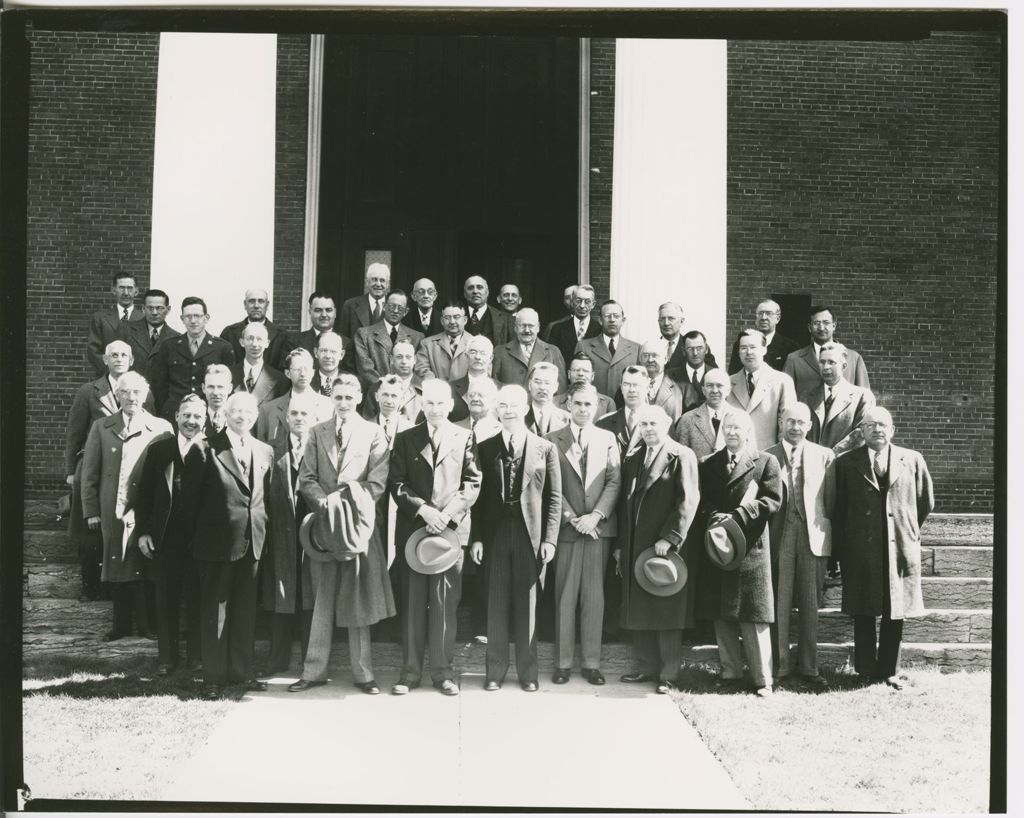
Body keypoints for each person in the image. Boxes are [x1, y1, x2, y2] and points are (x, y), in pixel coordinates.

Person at [289, 374, 394, 695]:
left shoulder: (375, 433)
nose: (344, 403)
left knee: (357, 600)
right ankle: (313, 671)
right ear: (330, 398)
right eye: (338, 398)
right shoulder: (317, 432)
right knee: (322, 601)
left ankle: (364, 674)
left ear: (361, 398)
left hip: (358, 528)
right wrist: (325, 504)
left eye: (350, 397)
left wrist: (343, 506)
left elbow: (376, 484)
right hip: (323, 527)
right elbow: (306, 477)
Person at [830, 406, 934, 690]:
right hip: (860, 550)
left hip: (899, 546)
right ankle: (864, 669)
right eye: (871, 425)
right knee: (863, 610)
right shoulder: (846, 463)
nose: (877, 429)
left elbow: (925, 503)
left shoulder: (912, 460)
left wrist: (905, 529)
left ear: (892, 430)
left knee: (894, 611)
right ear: (861, 431)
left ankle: (889, 669)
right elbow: (839, 509)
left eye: (883, 425)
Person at [389, 379, 482, 695]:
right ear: (422, 405)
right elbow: (397, 484)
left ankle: (443, 672)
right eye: (429, 403)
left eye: (441, 403)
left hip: (449, 534)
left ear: (450, 406)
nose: (435, 409)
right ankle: (409, 672)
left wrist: (446, 514)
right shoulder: (405, 439)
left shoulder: (465, 437)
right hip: (415, 531)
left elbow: (472, 483)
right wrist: (425, 512)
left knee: (444, 606)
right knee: (413, 605)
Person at [469, 385, 561, 692]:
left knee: (528, 604)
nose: (509, 410)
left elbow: (554, 498)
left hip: (530, 536)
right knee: (496, 603)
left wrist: (549, 539)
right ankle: (495, 670)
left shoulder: (545, 448)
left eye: (514, 405)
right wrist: (478, 538)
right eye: (503, 405)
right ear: (496, 409)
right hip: (496, 534)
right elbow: (479, 499)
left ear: (525, 408)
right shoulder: (485, 446)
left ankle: (528, 672)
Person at [191, 391, 275, 700]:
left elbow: (264, 499)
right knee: (216, 611)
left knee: (245, 612)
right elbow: (191, 502)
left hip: (253, 542)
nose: (243, 416)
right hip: (216, 545)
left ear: (256, 416)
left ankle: (242, 672)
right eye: (236, 411)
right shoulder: (205, 449)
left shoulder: (265, 451)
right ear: (226, 414)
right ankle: (213, 678)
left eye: (249, 411)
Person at [695, 411, 783, 698]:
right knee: (723, 614)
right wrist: (715, 516)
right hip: (720, 548)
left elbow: (773, 500)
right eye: (728, 427)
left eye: (738, 428)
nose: (732, 432)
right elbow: (702, 500)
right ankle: (730, 673)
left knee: (754, 615)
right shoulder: (708, 463)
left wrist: (742, 514)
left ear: (748, 431)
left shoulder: (766, 462)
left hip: (751, 549)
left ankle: (763, 679)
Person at [81, 371, 173, 641]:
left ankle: (147, 626)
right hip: (112, 508)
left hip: (145, 509)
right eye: (125, 392)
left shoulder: (161, 428)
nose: (131, 397)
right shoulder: (102, 426)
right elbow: (90, 472)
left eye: (136, 392)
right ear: (117, 395)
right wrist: (91, 511)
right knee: (116, 565)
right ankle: (120, 626)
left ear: (145, 395)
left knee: (144, 565)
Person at [615, 404, 700, 694]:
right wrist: (620, 546)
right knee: (640, 606)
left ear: (666, 424)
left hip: (665, 548)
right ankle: (647, 667)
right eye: (643, 424)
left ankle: (669, 674)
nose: (648, 429)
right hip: (636, 547)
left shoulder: (681, 455)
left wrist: (670, 537)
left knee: (666, 609)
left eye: (653, 423)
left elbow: (688, 501)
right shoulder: (635, 457)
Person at [65, 340, 155, 600]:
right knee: (91, 532)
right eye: (113, 355)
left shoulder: (143, 391)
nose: (118, 359)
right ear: (105, 360)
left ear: (132, 359)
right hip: (94, 464)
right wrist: (71, 470)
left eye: (124, 355)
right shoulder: (88, 391)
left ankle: (119, 587)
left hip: (129, 470)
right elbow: (75, 432)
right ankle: (90, 586)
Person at [546, 383, 621, 685]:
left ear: (597, 407)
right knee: (564, 596)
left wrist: (596, 516)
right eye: (578, 404)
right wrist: (572, 517)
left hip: (597, 530)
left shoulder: (607, 438)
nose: (583, 410)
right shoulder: (551, 440)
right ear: (568, 404)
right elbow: (550, 485)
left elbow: (614, 481)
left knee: (594, 597)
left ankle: (591, 663)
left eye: (589, 405)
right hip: (567, 528)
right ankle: (563, 663)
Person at [133, 394, 209, 675]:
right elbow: (144, 496)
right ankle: (167, 659)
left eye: (197, 417)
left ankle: (197, 657)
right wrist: (142, 533)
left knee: (197, 598)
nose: (191, 421)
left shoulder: (211, 451)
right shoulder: (159, 450)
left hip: (200, 540)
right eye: (186, 415)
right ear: (176, 417)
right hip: (165, 539)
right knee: (166, 599)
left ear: (205, 420)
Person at [764, 404, 835, 687]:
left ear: (809, 425)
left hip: (813, 536)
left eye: (801, 422)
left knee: (809, 604)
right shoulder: (767, 455)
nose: (795, 427)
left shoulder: (825, 456)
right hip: (779, 535)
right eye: (790, 421)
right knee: (779, 604)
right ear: (781, 422)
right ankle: (779, 669)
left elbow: (832, 501)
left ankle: (809, 668)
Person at [260, 392, 318, 675]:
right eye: (294, 414)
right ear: (285, 417)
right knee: (281, 593)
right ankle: (277, 659)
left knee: (309, 593)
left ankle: (311, 660)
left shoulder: (320, 449)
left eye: (304, 414)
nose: (298, 419)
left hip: (311, 533)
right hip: (280, 531)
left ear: (314, 419)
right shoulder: (272, 450)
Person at [150, 296, 234, 421]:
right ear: (182, 319)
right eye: (188, 316)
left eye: (197, 316)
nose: (193, 321)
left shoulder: (222, 347)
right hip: (174, 414)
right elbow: (159, 385)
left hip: (207, 415)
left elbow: (228, 386)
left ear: (206, 318)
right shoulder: (169, 346)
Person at [726, 329, 797, 449]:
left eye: (753, 347)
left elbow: (787, 424)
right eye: (743, 348)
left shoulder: (782, 381)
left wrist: (780, 457)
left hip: (768, 456)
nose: (748, 352)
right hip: (736, 456)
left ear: (764, 350)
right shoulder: (729, 383)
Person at [802, 341, 876, 455]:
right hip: (812, 463)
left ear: (844, 366)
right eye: (822, 362)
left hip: (844, 464)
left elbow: (861, 432)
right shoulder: (806, 396)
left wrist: (831, 455)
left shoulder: (862, 396)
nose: (826, 367)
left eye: (832, 362)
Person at [254, 348, 334, 448]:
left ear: (313, 372)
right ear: (288, 373)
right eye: (297, 369)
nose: (303, 374)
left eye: (306, 369)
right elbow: (261, 452)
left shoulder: (328, 406)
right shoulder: (268, 410)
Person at [783, 306, 870, 395]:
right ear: (809, 328)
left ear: (834, 326)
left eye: (826, 323)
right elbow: (785, 396)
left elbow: (864, 397)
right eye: (816, 323)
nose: (821, 328)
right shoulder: (794, 359)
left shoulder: (854, 358)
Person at [353, 289, 424, 391]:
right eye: (391, 306)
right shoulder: (364, 334)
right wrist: (388, 388)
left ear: (406, 311)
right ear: (384, 307)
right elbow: (366, 370)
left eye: (400, 308)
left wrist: (403, 390)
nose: (395, 311)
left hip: (407, 395)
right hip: (375, 394)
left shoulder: (417, 337)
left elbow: (418, 370)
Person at [574, 300, 642, 398]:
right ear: (600, 320)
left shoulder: (636, 349)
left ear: (623, 320)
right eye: (607, 316)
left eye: (616, 316)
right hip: (594, 407)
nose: (612, 319)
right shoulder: (584, 346)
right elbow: (577, 383)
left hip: (623, 408)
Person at [491, 308, 567, 392]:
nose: (527, 330)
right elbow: (494, 387)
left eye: (531, 326)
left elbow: (561, 391)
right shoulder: (500, 352)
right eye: (522, 326)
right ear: (515, 327)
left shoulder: (553, 352)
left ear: (538, 327)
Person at [670, 368, 736, 461]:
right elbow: (680, 461)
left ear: (728, 390)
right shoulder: (686, 420)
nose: (714, 390)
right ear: (703, 390)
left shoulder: (741, 418)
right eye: (709, 386)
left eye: (719, 386)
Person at [86, 273, 143, 375]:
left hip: (135, 378)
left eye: (130, 288)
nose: (126, 293)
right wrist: (113, 372)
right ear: (113, 290)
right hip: (107, 377)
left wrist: (131, 374)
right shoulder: (100, 318)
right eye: (121, 288)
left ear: (136, 291)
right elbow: (93, 351)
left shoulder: (144, 318)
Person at [219, 287, 289, 371]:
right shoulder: (229, 333)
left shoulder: (282, 335)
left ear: (267, 305)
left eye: (261, 301)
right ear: (245, 304)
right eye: (252, 301)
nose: (256, 306)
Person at [288, 291, 355, 375]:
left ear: (335, 313)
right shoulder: (294, 341)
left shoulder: (347, 343)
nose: (324, 315)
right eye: (318, 310)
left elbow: (349, 376)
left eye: (328, 310)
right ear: (310, 312)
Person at [727, 299, 800, 374]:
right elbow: (733, 376)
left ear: (778, 318)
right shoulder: (741, 344)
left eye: (769, 313)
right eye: (760, 313)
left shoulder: (790, 347)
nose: (763, 317)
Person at [229, 322, 288, 407]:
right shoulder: (228, 375)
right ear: (241, 342)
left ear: (267, 343)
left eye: (259, 339)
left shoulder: (280, 380)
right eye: (250, 338)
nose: (255, 344)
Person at [124, 289, 180, 379]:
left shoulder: (177, 338)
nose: (154, 313)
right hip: (132, 389)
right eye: (150, 308)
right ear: (143, 309)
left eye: (159, 308)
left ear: (168, 309)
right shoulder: (127, 330)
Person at [596, 365, 649, 459]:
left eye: (636, 385)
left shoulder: (660, 424)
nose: (631, 390)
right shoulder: (603, 424)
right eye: (626, 384)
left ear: (647, 387)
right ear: (621, 388)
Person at [638, 340, 698, 424]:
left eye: (655, 355)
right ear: (640, 359)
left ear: (666, 359)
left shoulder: (684, 388)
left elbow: (691, 423)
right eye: (645, 355)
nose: (650, 360)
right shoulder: (630, 386)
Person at [658, 303, 719, 378]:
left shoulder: (695, 346)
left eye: (671, 318)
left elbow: (715, 375)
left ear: (682, 321)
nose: (666, 323)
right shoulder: (650, 347)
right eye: (662, 319)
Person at [415, 302, 472, 382]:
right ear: (441, 321)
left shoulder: (476, 343)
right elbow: (421, 369)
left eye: (456, 317)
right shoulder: (427, 344)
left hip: (467, 392)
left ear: (465, 320)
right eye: (447, 318)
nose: (452, 322)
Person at [339, 262, 392, 338]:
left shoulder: (395, 307)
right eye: (374, 279)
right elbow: (344, 339)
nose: (378, 284)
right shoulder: (350, 305)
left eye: (382, 280)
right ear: (367, 282)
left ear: (387, 284)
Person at [554, 352, 615, 417]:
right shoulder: (554, 402)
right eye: (576, 370)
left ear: (592, 376)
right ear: (569, 374)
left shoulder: (607, 404)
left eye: (585, 371)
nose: (580, 374)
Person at [544, 284, 596, 356]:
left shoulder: (600, 330)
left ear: (593, 304)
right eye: (578, 301)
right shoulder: (558, 330)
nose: (582, 306)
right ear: (572, 302)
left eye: (587, 301)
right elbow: (552, 358)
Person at [667, 330, 718, 401]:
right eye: (690, 349)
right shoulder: (669, 376)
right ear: (683, 351)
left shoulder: (716, 375)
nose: (695, 353)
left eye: (699, 348)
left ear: (706, 349)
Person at [463, 275, 513, 346]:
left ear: (487, 292)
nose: (475, 291)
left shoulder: (505, 319)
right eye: (470, 288)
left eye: (479, 287)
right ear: (465, 294)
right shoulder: (457, 316)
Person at [525, 362, 570, 437]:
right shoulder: (519, 417)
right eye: (538, 382)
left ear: (556, 387)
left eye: (547, 383)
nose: (542, 387)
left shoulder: (567, 420)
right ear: (530, 385)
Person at [311, 331, 347, 397]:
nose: (328, 356)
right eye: (324, 351)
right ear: (316, 352)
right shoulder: (307, 380)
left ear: (341, 354)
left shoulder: (353, 382)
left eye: (333, 351)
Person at [201, 365, 233, 435]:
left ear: (230, 388)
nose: (215, 392)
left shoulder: (237, 418)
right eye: (211, 387)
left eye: (220, 387)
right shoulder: (196, 417)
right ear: (203, 388)